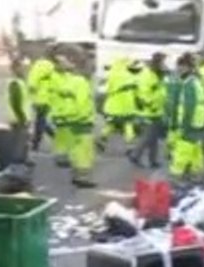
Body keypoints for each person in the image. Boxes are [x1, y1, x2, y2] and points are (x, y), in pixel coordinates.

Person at [169, 53, 204, 185]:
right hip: (198, 121)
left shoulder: (189, 84)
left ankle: (176, 174)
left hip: (190, 122)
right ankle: (197, 174)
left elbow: (188, 106)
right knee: (196, 149)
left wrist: (184, 125)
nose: (179, 70)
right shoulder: (196, 81)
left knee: (183, 148)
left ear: (187, 68)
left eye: (181, 67)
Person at [130, 52, 168, 168]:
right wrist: (151, 104)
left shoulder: (156, 74)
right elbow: (143, 93)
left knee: (154, 137)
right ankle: (135, 155)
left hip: (156, 110)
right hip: (149, 111)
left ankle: (152, 160)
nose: (163, 64)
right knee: (148, 136)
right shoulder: (147, 75)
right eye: (162, 62)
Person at [67, 56, 97, 187]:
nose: (92, 72)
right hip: (82, 121)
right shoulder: (82, 83)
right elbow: (82, 103)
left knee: (76, 148)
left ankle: (76, 175)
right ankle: (83, 177)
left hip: (72, 120)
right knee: (84, 150)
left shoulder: (71, 80)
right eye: (91, 68)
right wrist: (85, 118)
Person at [99, 58, 138, 152]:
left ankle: (102, 139)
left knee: (111, 124)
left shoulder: (112, 76)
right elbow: (136, 91)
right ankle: (130, 144)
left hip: (114, 106)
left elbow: (105, 90)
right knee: (128, 124)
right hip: (128, 106)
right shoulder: (131, 76)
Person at [49, 55, 76, 167]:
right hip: (58, 110)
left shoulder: (66, 75)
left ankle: (64, 156)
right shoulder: (53, 77)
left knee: (67, 134)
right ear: (56, 65)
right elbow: (60, 91)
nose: (65, 64)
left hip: (68, 110)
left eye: (65, 62)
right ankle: (60, 157)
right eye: (62, 63)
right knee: (62, 135)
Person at [27, 49, 57, 151]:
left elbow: (32, 81)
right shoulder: (50, 66)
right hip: (46, 98)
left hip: (39, 98)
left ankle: (36, 142)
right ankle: (37, 141)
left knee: (40, 122)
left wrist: (32, 89)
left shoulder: (39, 65)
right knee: (41, 121)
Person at [6, 58, 32, 165]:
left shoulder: (21, 82)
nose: (25, 70)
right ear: (15, 69)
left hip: (21, 117)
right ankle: (16, 164)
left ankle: (22, 160)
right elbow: (15, 103)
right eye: (22, 67)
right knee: (19, 143)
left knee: (23, 141)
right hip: (18, 118)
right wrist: (23, 118)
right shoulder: (15, 83)